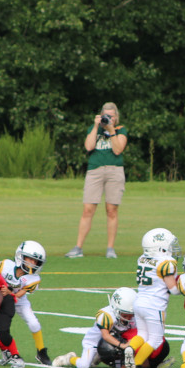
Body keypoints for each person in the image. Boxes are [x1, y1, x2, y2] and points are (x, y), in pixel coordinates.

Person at [66, 102, 127, 259]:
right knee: (88, 209)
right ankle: (78, 247)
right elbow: (88, 147)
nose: (108, 118)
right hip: (95, 170)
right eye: (105, 115)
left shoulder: (121, 130)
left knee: (111, 210)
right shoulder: (94, 129)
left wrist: (111, 130)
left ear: (116, 117)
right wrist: (95, 127)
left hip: (114, 170)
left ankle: (110, 248)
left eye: (111, 116)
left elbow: (118, 149)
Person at [53, 288, 140, 368]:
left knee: (122, 367)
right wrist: (122, 345)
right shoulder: (107, 315)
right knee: (84, 365)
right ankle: (69, 359)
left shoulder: (133, 316)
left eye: (131, 315)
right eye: (125, 316)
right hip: (93, 343)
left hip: (113, 344)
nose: (128, 318)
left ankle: (100, 357)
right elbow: (105, 336)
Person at [131, 227, 181, 368]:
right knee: (155, 339)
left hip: (139, 301)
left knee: (142, 334)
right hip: (154, 305)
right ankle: (137, 364)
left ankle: (129, 350)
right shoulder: (166, 262)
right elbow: (174, 289)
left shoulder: (142, 258)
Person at [0, 241, 52, 365]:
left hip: (19, 301)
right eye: (30, 259)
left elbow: (18, 296)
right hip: (0, 298)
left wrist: (9, 292)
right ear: (20, 256)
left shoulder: (33, 279)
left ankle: (41, 351)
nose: (32, 263)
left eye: (35, 261)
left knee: (34, 323)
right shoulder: (5, 265)